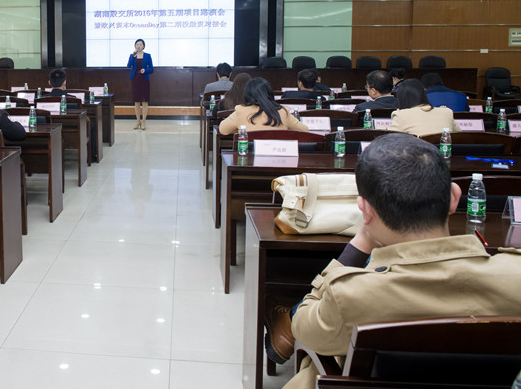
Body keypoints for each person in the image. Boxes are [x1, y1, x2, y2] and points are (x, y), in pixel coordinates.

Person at [265, 133, 521, 389]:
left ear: (364, 210)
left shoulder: (351, 296)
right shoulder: (515, 276)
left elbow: (302, 325)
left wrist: (362, 242)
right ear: (454, 197)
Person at [219, 77, 308, 135]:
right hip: (278, 160)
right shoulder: (282, 111)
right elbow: (304, 130)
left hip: (250, 159)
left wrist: (239, 128)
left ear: (247, 94)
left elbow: (223, 130)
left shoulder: (241, 111)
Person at [388, 79, 460, 136]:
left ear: (401, 99)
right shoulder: (446, 112)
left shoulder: (401, 115)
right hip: (443, 154)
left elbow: (388, 140)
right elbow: (460, 136)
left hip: (415, 154)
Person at [127, 38, 153, 130]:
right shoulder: (132, 55)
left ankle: (143, 122)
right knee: (137, 101)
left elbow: (151, 69)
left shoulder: (148, 56)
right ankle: (138, 121)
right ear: (135, 46)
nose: (139, 46)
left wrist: (145, 70)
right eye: (137, 44)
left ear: (143, 46)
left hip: (144, 80)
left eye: (140, 44)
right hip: (135, 79)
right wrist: (132, 56)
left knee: (145, 101)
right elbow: (128, 65)